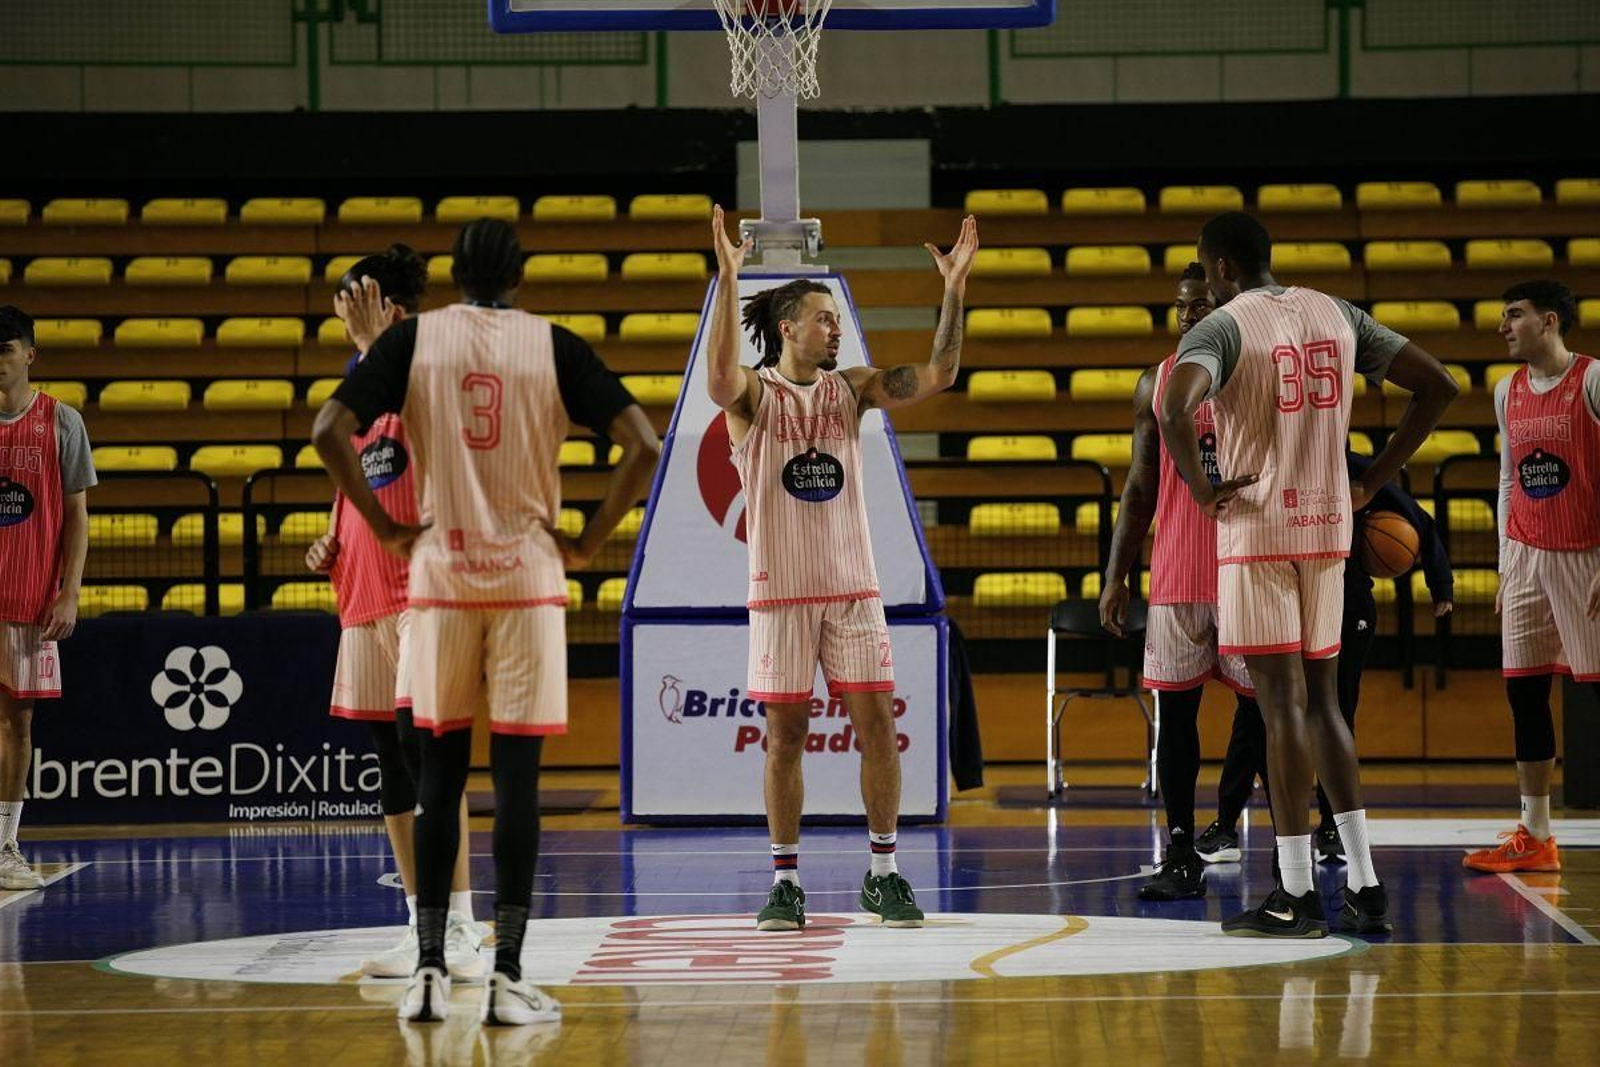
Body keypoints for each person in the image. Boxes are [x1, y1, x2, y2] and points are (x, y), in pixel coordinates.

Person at [312, 218, 660, 1025]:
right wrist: (590, 536)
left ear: (456, 274)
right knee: (518, 784)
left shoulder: (414, 343)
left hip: (438, 578)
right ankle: (506, 974)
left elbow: (330, 429)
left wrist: (382, 522)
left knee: (437, 776)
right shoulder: (553, 344)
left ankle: (430, 967)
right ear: (520, 276)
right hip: (525, 579)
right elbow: (642, 442)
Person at [1159, 212, 1458, 938]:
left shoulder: (1223, 325)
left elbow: (1174, 403)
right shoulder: (1337, 311)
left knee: (1278, 709)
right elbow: (1439, 385)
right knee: (1326, 706)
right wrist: (1377, 479)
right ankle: (1365, 881)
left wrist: (1203, 491)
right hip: (1331, 529)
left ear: (1222, 267)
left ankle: (1294, 889)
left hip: (1259, 529)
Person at [706, 206, 978, 933]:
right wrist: (730, 278)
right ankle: (786, 881)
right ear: (790, 327)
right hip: (781, 595)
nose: (836, 329)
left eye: (836, 319)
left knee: (878, 728)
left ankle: (883, 873)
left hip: (854, 591)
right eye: (823, 319)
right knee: (784, 737)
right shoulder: (756, 397)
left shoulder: (852, 390)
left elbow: (942, 372)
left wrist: (953, 289)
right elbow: (717, 379)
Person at [305, 246, 484, 979]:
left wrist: (371, 344)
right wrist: (332, 534)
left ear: (391, 309)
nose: (344, 316)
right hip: (364, 590)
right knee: (392, 766)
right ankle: (420, 925)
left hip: (424, 590)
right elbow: (355, 470)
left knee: (430, 754)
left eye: (356, 303)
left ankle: (464, 927)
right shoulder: (359, 381)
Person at [1203, 450, 1455, 862]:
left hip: (1347, 600)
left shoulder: (1353, 467)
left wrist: (1440, 581)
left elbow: (1416, 517)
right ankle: (1227, 823)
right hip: (1277, 591)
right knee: (1255, 713)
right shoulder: (1267, 463)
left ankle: (1331, 828)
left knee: (1334, 709)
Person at [1099, 264, 1259, 900]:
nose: (1190, 315)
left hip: (1251, 567)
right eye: (1181, 306)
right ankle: (1180, 851)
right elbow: (1140, 486)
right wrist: (1117, 573)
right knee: (1178, 720)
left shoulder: (1257, 375)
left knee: (1267, 715)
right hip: (1179, 574)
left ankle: (1281, 854)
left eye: (1202, 304)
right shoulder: (1158, 382)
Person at [1464, 280, 1600, 874]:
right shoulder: (1505, 391)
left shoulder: (1593, 380)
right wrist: (1503, 565)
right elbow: (1507, 479)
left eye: (1513, 315)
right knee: (1524, 691)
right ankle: (1536, 834)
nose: (1502, 326)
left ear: (1549, 321)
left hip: (1586, 554)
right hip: (1524, 554)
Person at [0, 306, 94, 891]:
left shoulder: (61, 421)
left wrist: (70, 592)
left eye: (6, 348)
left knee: (19, 723)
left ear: (29, 354)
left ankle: (5, 846)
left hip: (32, 603)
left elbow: (78, 518)